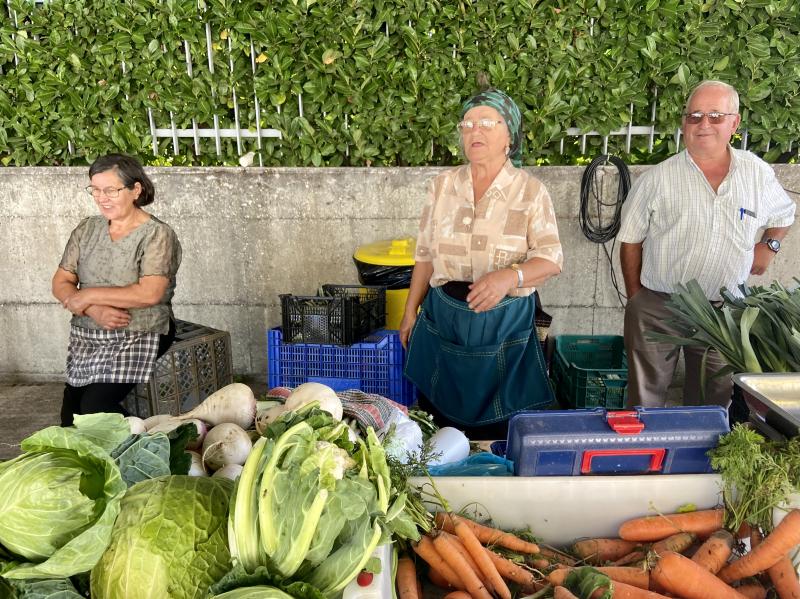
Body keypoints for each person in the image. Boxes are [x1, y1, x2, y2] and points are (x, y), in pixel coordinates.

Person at [617, 80, 795, 408]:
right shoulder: (657, 179)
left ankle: (700, 458)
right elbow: (630, 240)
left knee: (713, 398)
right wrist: (637, 299)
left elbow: (785, 214)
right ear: (684, 123)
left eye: (715, 116)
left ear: (734, 123)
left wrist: (769, 247)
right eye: (694, 116)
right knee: (645, 398)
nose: (703, 125)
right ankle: (645, 458)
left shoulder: (757, 174)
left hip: (723, 310)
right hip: (659, 305)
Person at [400, 87, 563, 439]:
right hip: (446, 319)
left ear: (510, 136)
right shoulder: (442, 187)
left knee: (501, 428)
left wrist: (510, 276)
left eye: (488, 122)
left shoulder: (530, 192)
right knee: (440, 427)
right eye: (468, 123)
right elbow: (425, 255)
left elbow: (551, 259)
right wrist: (410, 310)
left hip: (505, 325)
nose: (475, 130)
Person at [52, 154, 182, 426]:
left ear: (136, 190)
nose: (102, 197)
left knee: (95, 409)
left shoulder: (157, 234)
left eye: (111, 190)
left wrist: (87, 295)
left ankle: (158, 444)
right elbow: (61, 281)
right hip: (89, 331)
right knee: (70, 419)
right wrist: (93, 309)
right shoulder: (87, 228)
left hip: (140, 331)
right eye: (95, 189)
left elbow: (150, 293)